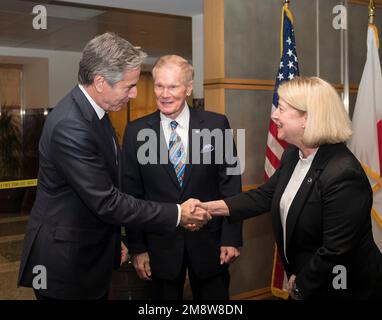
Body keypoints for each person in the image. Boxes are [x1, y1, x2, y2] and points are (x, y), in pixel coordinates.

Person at [17, 33, 210, 300]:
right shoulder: (71, 125)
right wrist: (178, 213)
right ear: (99, 82)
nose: (134, 94)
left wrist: (112, 240)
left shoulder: (96, 114)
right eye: (129, 86)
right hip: (66, 263)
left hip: (88, 251)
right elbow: (107, 201)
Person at [205, 76, 382, 299]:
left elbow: (337, 250)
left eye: (281, 108)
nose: (274, 115)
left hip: (343, 286)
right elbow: (265, 195)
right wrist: (208, 208)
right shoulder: (293, 154)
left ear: (307, 118)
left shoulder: (342, 173)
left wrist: (301, 286)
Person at [122, 55, 242, 300]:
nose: (165, 94)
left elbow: (230, 186)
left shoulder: (216, 125)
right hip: (159, 247)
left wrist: (231, 238)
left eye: (173, 86)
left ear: (188, 88)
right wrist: (138, 248)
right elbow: (131, 195)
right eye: (159, 85)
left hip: (210, 245)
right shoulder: (136, 131)